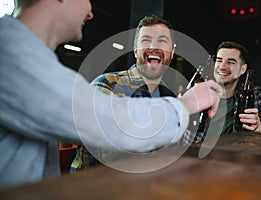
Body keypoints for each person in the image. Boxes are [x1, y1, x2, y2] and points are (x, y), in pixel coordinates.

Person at [0, 0, 221, 190]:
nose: (90, 12)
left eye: (162, 41)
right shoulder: (9, 51)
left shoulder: (30, 56)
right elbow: (110, 127)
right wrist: (188, 102)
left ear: (172, 52)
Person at [71, 15, 178, 171]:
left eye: (162, 41)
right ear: (135, 50)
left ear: (172, 52)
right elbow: (100, 154)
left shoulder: (168, 97)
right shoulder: (107, 85)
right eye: (146, 40)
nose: (154, 46)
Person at [184, 41, 261, 143]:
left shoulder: (255, 95)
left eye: (231, 62)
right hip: (193, 160)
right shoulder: (197, 91)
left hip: (234, 163)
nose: (222, 67)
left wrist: (260, 126)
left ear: (242, 69)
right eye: (219, 60)